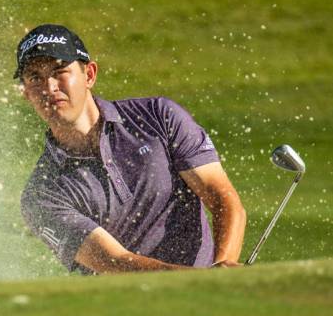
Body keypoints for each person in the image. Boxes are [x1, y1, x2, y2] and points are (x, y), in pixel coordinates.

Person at [16, 23, 246, 275]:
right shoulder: (41, 194)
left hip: (205, 297)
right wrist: (198, 280)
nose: (49, 87)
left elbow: (223, 198)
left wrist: (222, 271)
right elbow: (116, 262)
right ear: (26, 93)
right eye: (35, 77)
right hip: (124, 309)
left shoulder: (158, 116)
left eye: (60, 70)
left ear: (89, 74)